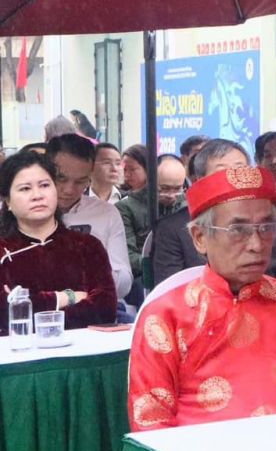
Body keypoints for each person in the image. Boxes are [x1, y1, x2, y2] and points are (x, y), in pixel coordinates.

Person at [127, 167, 276, 429]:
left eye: (266, 227)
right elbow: (151, 420)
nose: (257, 244)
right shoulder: (165, 315)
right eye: (238, 230)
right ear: (200, 238)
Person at [150, 139, 276, 288]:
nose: (233, 180)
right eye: (222, 173)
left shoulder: (273, 219)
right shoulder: (172, 229)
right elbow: (170, 288)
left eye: (240, 171)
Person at [0, 151, 117, 331]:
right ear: (7, 201)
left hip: (83, 345)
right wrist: (65, 298)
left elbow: (104, 309)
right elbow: (4, 314)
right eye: (25, 189)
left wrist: (28, 305)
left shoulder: (87, 246)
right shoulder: (3, 250)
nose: (37, 195)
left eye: (45, 185)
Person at [47, 134, 132, 299]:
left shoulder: (106, 213)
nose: (69, 189)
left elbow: (124, 284)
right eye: (60, 178)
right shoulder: (26, 211)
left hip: (95, 306)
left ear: (90, 176)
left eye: (80, 181)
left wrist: (92, 264)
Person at [116, 154, 187, 271]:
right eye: (164, 188)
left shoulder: (186, 206)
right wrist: (161, 265)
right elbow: (127, 255)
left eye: (177, 189)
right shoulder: (127, 208)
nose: (171, 195)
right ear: (150, 181)